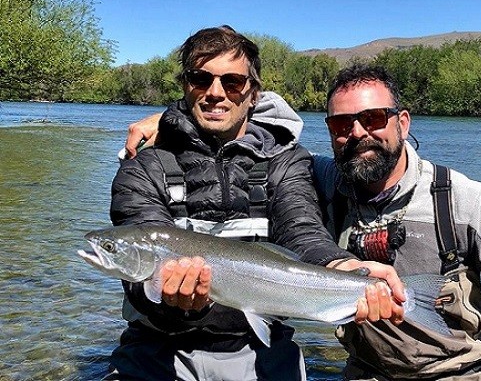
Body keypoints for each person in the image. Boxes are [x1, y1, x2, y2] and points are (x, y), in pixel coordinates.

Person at [123, 63, 481, 380]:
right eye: (342, 124)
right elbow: (251, 125)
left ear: (402, 122)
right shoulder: (321, 179)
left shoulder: (468, 202)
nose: (358, 133)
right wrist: (171, 122)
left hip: (465, 372)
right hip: (366, 373)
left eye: (373, 118)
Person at [107, 26, 405, 381]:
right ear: (185, 86)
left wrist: (339, 265)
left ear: (253, 93)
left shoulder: (286, 161)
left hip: (262, 351)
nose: (215, 93)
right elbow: (138, 276)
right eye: (200, 79)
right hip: (155, 351)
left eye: (232, 82)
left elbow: (302, 231)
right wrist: (174, 298)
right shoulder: (143, 165)